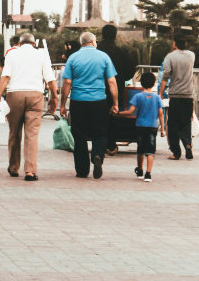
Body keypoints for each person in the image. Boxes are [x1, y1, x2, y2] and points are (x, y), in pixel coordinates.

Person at [0, 33, 58, 181]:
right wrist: (55, 96)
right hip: (36, 95)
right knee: (32, 134)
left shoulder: (12, 54)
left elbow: (6, 76)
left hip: (14, 94)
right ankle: (30, 171)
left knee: (14, 132)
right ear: (34, 44)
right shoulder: (41, 54)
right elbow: (50, 78)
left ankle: (14, 167)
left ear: (20, 43)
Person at [59, 32, 119, 179]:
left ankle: (82, 170)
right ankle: (97, 155)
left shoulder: (73, 57)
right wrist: (115, 103)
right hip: (98, 101)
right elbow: (111, 81)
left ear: (81, 43)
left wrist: (62, 105)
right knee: (100, 132)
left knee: (79, 135)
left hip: (78, 101)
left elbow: (67, 82)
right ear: (93, 41)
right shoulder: (103, 57)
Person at [118, 72, 165, 182]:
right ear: (154, 84)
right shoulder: (157, 97)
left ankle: (140, 170)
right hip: (152, 127)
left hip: (140, 126)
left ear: (141, 84)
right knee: (150, 151)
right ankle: (148, 174)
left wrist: (119, 114)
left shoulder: (138, 96)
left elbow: (130, 111)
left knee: (140, 150)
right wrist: (162, 129)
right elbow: (161, 114)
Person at [98, 24, 137, 155]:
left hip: (97, 88)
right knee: (113, 116)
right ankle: (111, 145)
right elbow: (130, 71)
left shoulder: (96, 51)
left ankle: (99, 144)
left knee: (99, 117)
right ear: (115, 36)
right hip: (117, 88)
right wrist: (121, 78)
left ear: (102, 35)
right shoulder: (121, 52)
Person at [160, 36, 195, 160]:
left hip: (175, 95)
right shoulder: (191, 55)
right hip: (189, 95)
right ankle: (188, 144)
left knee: (173, 124)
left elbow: (165, 76)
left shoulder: (170, 57)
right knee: (186, 122)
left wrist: (161, 92)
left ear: (175, 44)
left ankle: (176, 152)